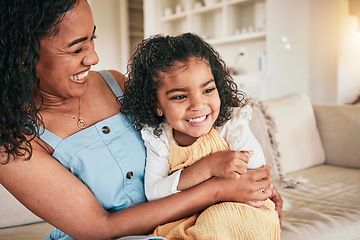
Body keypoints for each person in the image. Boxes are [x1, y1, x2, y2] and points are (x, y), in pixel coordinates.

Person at [0, 1, 282, 240]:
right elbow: (100, 227)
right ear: (23, 55)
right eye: (76, 49)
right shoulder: (13, 143)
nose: (93, 57)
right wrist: (219, 190)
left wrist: (252, 186)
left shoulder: (118, 84)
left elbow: (191, 135)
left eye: (92, 39)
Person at [120, 33, 282, 239]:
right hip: (190, 217)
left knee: (218, 222)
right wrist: (207, 168)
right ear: (157, 105)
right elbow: (153, 192)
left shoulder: (230, 127)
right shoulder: (160, 138)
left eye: (207, 90)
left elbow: (258, 173)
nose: (198, 105)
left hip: (240, 212)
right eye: (180, 96)